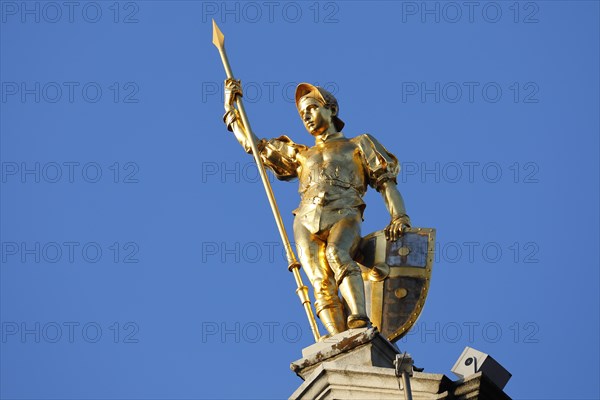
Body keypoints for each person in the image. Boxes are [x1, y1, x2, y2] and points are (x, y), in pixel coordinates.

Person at [222, 79, 411, 336]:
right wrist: (231, 110)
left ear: (331, 109)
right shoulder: (301, 155)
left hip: (345, 211)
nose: (306, 117)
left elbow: (385, 182)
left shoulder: (358, 145)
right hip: (306, 219)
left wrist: (399, 215)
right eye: (302, 114)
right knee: (320, 281)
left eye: (311, 108)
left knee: (337, 254)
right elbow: (256, 147)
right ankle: (336, 338)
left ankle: (358, 318)